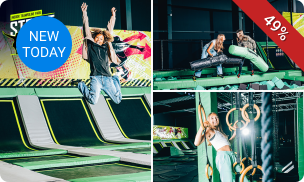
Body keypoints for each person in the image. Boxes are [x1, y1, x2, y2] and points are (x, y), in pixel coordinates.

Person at [74, 3, 122, 105]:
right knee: (92, 101)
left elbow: (110, 29)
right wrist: (84, 12)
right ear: (94, 37)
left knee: (118, 100)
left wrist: (113, 16)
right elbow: (86, 28)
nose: (99, 40)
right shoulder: (91, 45)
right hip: (95, 78)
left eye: (101, 39)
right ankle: (80, 84)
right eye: (97, 38)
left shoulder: (105, 46)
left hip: (108, 78)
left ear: (103, 40)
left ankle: (116, 78)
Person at [194, 112, 249, 182]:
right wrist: (201, 128)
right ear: (208, 121)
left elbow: (228, 143)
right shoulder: (210, 131)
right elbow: (196, 143)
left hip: (232, 155)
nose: (215, 119)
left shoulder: (220, 132)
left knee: (243, 178)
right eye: (212, 118)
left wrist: (235, 134)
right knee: (228, 180)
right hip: (223, 156)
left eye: (216, 117)